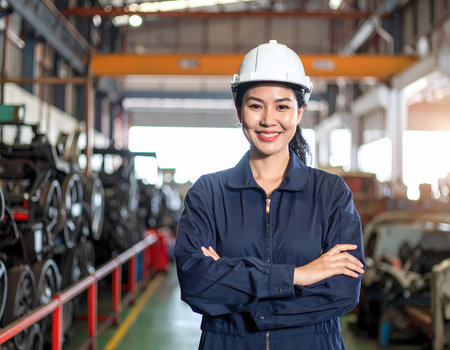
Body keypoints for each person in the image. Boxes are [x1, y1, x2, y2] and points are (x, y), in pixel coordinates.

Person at [175, 40, 365, 350]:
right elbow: (198, 285)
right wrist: (298, 276)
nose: (268, 120)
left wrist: (238, 291)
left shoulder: (330, 193)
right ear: (239, 111)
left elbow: (342, 291)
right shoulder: (208, 194)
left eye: (282, 106)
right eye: (255, 105)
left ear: (299, 112)